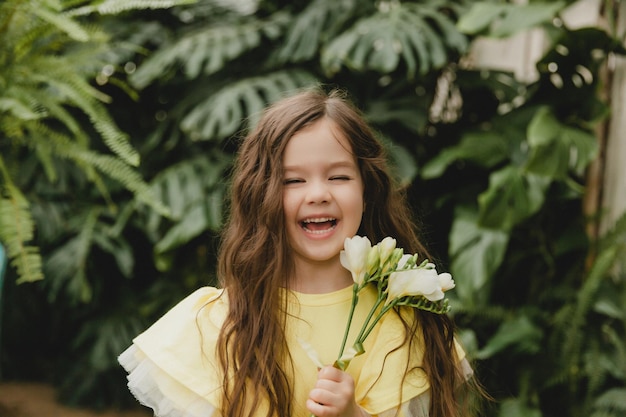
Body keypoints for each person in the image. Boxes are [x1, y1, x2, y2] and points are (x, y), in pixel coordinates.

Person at [119, 87, 478, 417]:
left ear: (367, 191)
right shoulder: (222, 320)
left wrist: (353, 413)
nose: (318, 193)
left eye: (338, 177)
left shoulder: (396, 320)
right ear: (262, 195)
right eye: (293, 181)